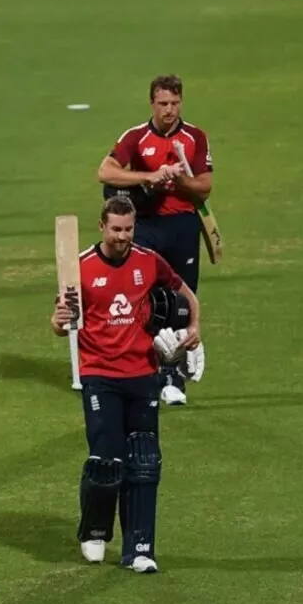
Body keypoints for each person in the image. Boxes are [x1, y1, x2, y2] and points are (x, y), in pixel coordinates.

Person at [51, 195, 201, 574]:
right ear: (101, 226)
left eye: (128, 229)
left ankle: (140, 548)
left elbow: (185, 293)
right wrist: (57, 319)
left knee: (144, 461)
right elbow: (60, 323)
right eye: (115, 229)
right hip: (99, 373)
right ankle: (95, 530)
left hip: (141, 372)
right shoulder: (81, 268)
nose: (122, 236)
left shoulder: (147, 261)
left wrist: (194, 328)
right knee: (106, 462)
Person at [97, 74, 213, 406]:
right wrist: (149, 176)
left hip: (182, 225)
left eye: (175, 104)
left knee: (180, 301)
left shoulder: (195, 137)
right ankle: (144, 371)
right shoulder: (135, 137)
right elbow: (106, 171)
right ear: (152, 103)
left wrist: (177, 180)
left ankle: (173, 379)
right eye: (163, 104)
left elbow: (205, 187)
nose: (169, 110)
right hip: (146, 226)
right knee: (143, 299)